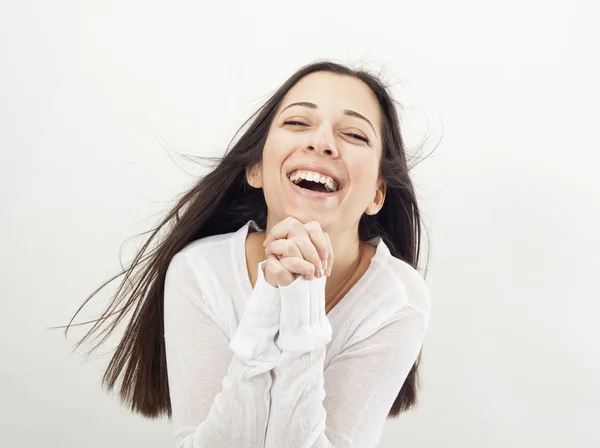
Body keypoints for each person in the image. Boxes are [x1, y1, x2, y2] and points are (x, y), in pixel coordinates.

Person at [66, 60, 432, 447]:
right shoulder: (199, 272)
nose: (322, 141)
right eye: (297, 123)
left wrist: (302, 294)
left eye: (355, 134)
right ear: (256, 169)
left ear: (377, 194)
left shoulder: (398, 300)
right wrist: (268, 303)